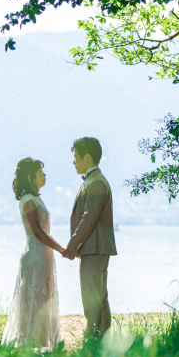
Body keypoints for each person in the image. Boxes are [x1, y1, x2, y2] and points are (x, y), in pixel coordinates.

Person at [1, 158, 65, 349]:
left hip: (44, 255)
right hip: (35, 255)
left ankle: (42, 340)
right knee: (33, 300)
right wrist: (61, 249)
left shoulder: (37, 198)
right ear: (31, 177)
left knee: (44, 298)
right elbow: (37, 232)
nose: (44, 176)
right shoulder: (28, 201)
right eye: (40, 173)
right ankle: (29, 340)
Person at [62, 137, 117, 336]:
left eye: (76, 157)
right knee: (99, 296)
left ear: (87, 157)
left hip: (94, 248)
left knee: (92, 297)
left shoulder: (96, 183)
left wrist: (72, 245)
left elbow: (88, 218)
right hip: (95, 248)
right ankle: (103, 336)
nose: (73, 161)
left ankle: (93, 339)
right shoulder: (95, 181)